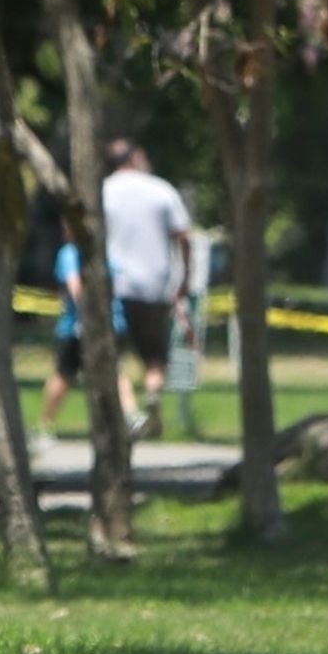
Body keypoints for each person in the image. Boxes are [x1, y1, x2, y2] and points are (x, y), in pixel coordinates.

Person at [102, 137, 193, 439]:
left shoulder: (102, 191)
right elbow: (184, 237)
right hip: (155, 286)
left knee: (113, 356)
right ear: (134, 158)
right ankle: (152, 395)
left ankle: (130, 411)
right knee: (155, 357)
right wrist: (184, 278)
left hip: (114, 287)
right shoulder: (161, 190)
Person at [34, 227, 143, 452]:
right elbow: (77, 286)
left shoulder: (88, 252)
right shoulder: (78, 253)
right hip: (84, 326)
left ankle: (130, 415)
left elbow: (83, 285)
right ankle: (45, 425)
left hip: (100, 324)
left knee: (107, 372)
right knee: (68, 374)